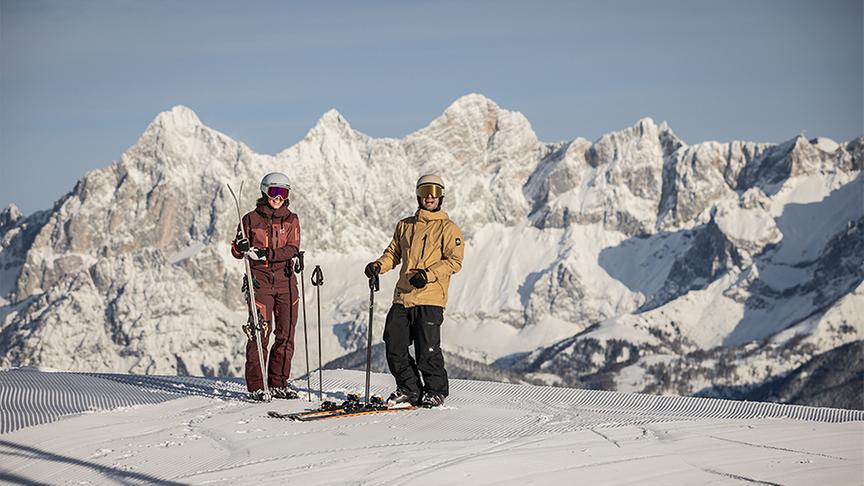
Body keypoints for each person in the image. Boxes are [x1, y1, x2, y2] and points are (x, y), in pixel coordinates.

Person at [365, 174, 464, 408]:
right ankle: (409, 388)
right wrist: (379, 265)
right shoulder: (405, 225)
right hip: (403, 296)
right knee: (393, 344)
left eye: (435, 191)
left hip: (430, 298)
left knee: (426, 351)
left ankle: (435, 391)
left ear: (441, 196)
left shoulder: (449, 228)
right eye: (425, 190)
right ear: (418, 194)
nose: (430, 196)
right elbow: (393, 254)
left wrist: (428, 275)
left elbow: (454, 261)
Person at [231, 172, 301, 401]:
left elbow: (292, 249)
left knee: (286, 335)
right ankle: (258, 386)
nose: (278, 198)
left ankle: (279, 383)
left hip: (286, 283)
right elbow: (236, 250)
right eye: (274, 192)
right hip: (259, 282)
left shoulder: (291, 219)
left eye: (283, 193)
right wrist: (241, 247)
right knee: (259, 333)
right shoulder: (250, 220)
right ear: (265, 192)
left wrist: (266, 253)